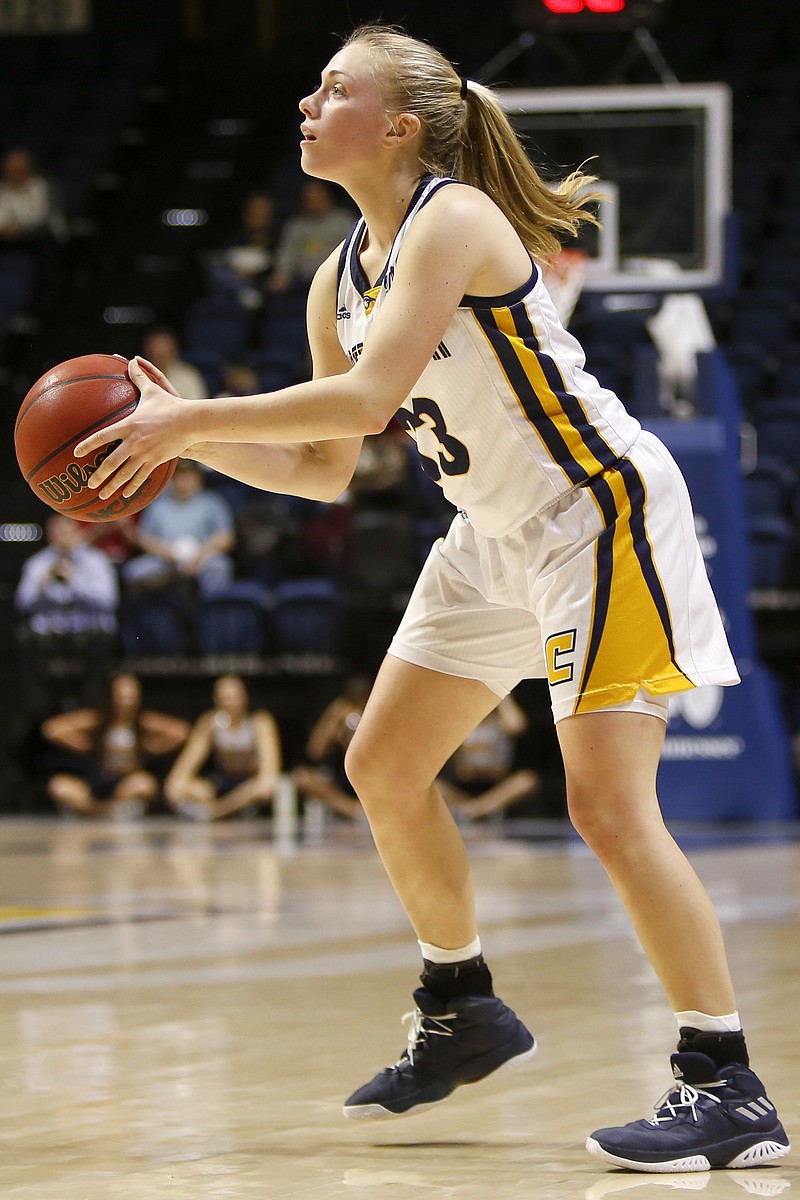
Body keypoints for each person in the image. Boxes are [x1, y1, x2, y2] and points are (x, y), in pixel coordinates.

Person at [75, 24, 790, 1174]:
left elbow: (363, 402)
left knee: (606, 808)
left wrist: (192, 416)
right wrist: (186, 449)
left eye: (333, 87)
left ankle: (726, 1084)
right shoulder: (335, 272)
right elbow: (321, 466)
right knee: (380, 766)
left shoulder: (452, 217)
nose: (306, 102)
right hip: (490, 536)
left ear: (398, 125)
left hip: (592, 513)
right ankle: (458, 1003)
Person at [41, 672, 190, 819]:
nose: (126, 702)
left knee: (145, 784)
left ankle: (104, 809)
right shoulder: (100, 722)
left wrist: (149, 745)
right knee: (58, 786)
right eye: (121, 696)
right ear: (111, 696)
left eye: (130, 696)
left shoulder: (140, 725)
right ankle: (95, 810)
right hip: (97, 779)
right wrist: (88, 743)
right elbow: (52, 729)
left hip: (124, 782)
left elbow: (181, 732)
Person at [14, 513, 119, 719]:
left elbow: (109, 602)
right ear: (49, 536)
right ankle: (38, 712)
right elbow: (22, 603)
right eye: (57, 533)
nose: (62, 537)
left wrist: (74, 583)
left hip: (88, 634)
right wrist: (44, 583)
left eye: (67, 532)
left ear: (78, 533)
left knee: (103, 640)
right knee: (23, 638)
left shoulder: (96, 560)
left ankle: (92, 711)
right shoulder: (38, 563)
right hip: (49, 637)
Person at [163, 674, 282, 820]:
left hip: (249, 786)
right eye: (224, 697)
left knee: (265, 788)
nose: (229, 702)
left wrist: (219, 808)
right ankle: (225, 810)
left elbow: (269, 777)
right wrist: (199, 793)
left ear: (245, 697)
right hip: (222, 784)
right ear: (216, 699)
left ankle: (218, 812)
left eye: (233, 697)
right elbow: (178, 777)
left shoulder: (260, 722)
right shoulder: (210, 722)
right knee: (180, 788)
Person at [122, 459, 235, 598]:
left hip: (202, 557)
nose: (183, 480)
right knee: (134, 571)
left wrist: (201, 556)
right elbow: (144, 538)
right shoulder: (159, 505)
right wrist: (166, 552)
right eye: (178, 476)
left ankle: (211, 614)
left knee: (219, 566)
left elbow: (226, 537)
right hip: (166, 559)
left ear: (198, 478)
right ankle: (158, 614)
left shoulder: (211, 502)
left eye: (188, 475)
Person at [436, 693, 540, 819]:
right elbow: (461, 769)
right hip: (463, 786)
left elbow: (517, 724)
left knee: (526, 780)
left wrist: (501, 693)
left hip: (496, 786)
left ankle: (474, 811)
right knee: (433, 785)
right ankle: (478, 810)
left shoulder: (500, 722)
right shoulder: (462, 725)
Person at [291, 674, 370, 820]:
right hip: (343, 780)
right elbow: (315, 751)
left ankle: (368, 810)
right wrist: (334, 721)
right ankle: (355, 810)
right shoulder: (339, 714)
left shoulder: (374, 713)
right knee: (303, 777)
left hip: (370, 777)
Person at [268, 179, 354, 294]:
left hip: (337, 282)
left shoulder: (344, 222)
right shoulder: (296, 225)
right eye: (309, 198)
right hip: (301, 283)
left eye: (317, 197)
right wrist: (282, 274)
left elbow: (353, 253)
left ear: (329, 197)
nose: (313, 201)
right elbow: (288, 254)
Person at [141, 326, 208, 399]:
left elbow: (197, 406)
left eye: (163, 345)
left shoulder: (188, 376)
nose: (159, 351)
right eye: (155, 346)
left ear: (174, 350)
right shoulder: (138, 375)